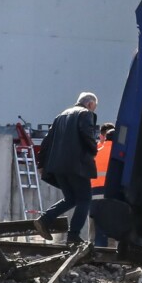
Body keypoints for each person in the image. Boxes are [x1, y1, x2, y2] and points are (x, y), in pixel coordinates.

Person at [36, 92, 100, 243]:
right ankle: (73, 236)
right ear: (90, 104)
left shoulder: (60, 116)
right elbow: (87, 135)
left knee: (71, 199)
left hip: (57, 166)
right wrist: (93, 150)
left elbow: (46, 141)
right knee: (85, 199)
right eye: (94, 107)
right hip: (76, 165)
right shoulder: (85, 114)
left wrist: (41, 163)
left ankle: (45, 219)